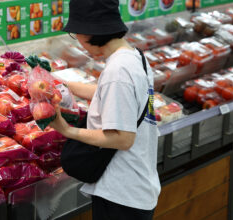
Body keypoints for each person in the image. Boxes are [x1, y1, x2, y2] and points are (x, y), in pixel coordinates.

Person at [48, 0, 161, 219]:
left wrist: (67, 130)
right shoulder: (134, 56)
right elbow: (105, 93)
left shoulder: (117, 71)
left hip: (122, 194)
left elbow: (123, 138)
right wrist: (58, 84)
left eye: (76, 33)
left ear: (89, 31)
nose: (78, 40)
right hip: (138, 184)